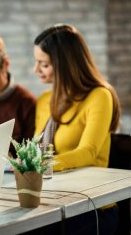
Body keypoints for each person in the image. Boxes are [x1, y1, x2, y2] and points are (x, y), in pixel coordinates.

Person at [32, 24, 121, 235]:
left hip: (91, 208)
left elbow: (88, 152)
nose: (35, 70)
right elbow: (37, 150)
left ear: (64, 64)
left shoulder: (99, 96)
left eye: (43, 64)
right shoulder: (44, 100)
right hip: (52, 202)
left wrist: (41, 164)